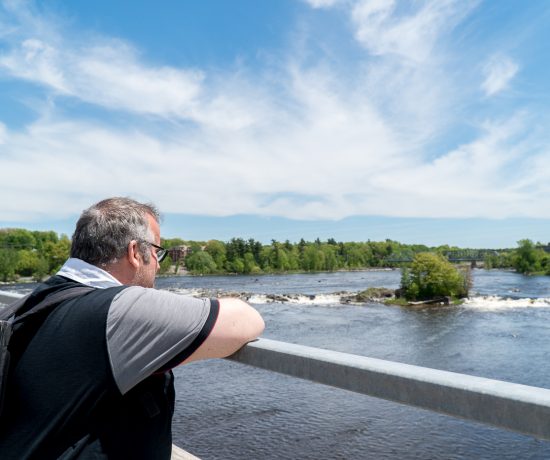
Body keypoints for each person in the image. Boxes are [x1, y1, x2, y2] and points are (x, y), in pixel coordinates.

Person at [0, 197, 264, 459]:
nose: (159, 264)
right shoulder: (120, 309)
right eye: (157, 252)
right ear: (135, 252)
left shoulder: (29, 305)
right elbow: (244, 319)